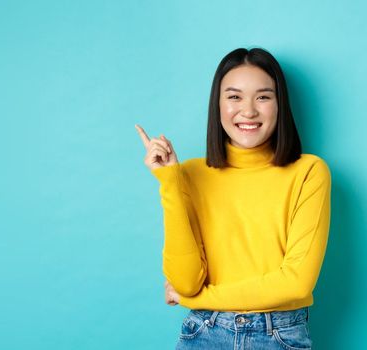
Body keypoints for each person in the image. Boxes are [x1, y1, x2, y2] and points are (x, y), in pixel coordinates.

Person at [135, 47, 331, 349]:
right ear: (218, 104)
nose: (249, 110)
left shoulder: (309, 172)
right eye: (234, 96)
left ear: (280, 105)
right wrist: (170, 183)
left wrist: (196, 299)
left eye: (263, 96)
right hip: (203, 333)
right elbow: (186, 280)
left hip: (278, 336)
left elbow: (295, 283)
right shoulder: (188, 174)